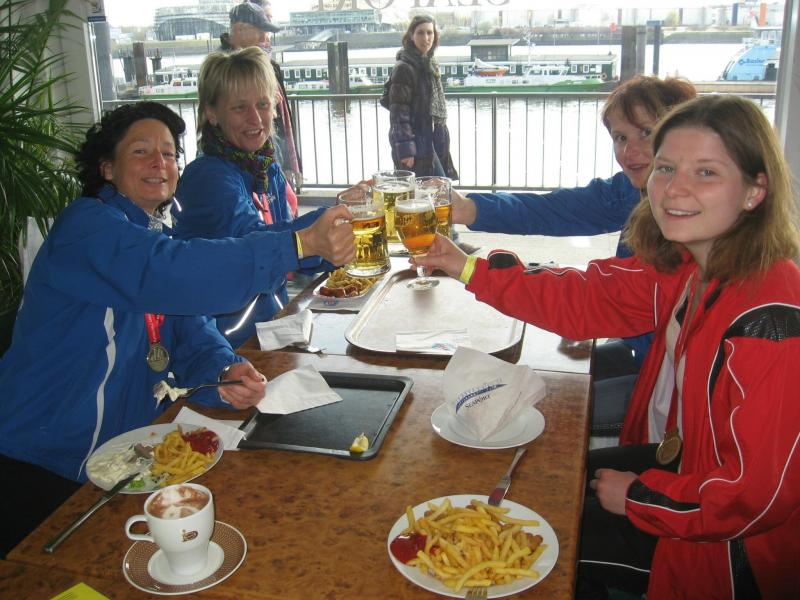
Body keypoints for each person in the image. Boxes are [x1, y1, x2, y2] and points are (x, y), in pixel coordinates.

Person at [413, 95, 800, 598]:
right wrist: (464, 266)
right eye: (666, 168)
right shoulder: (693, 265)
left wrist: (638, 496)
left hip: (727, 553)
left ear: (754, 191)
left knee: (542, 534)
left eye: (706, 172)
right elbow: (588, 296)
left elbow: (757, 495)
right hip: (686, 472)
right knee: (539, 480)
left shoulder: (771, 322)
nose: (674, 188)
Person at [0, 102, 354, 557]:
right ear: (106, 168)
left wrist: (223, 371)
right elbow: (173, 274)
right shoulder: (86, 228)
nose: (159, 163)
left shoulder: (154, 234)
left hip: (119, 463)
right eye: (142, 151)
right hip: (39, 461)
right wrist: (299, 244)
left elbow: (190, 332)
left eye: (168, 154)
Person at [451, 75, 697, 437]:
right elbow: (556, 209)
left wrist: (465, 267)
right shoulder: (633, 192)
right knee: (536, 378)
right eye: (620, 137)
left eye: (646, 132)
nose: (630, 152)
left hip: (673, 382)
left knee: (540, 411)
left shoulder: (688, 228)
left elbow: (594, 299)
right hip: (644, 348)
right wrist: (469, 208)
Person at [173, 48, 325, 348]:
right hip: (225, 345)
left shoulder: (266, 168)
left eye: (263, 104)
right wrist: (323, 227)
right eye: (240, 107)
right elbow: (256, 248)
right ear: (212, 113)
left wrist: (342, 230)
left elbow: (294, 256)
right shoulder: (207, 177)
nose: (255, 118)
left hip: (270, 329)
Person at [221, 1, 303, 194]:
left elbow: (282, 120)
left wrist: (288, 163)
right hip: (246, 164)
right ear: (239, 29)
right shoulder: (221, 70)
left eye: (263, 105)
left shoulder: (269, 66)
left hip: (270, 154)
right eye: (260, 31)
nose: (265, 37)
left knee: (278, 204)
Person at [384, 14, 458, 179]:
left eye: (430, 33)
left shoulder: (429, 65)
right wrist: (406, 150)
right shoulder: (404, 68)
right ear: (411, 36)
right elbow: (398, 113)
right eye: (420, 33)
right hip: (415, 144)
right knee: (433, 186)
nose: (426, 38)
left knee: (436, 187)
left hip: (430, 140)